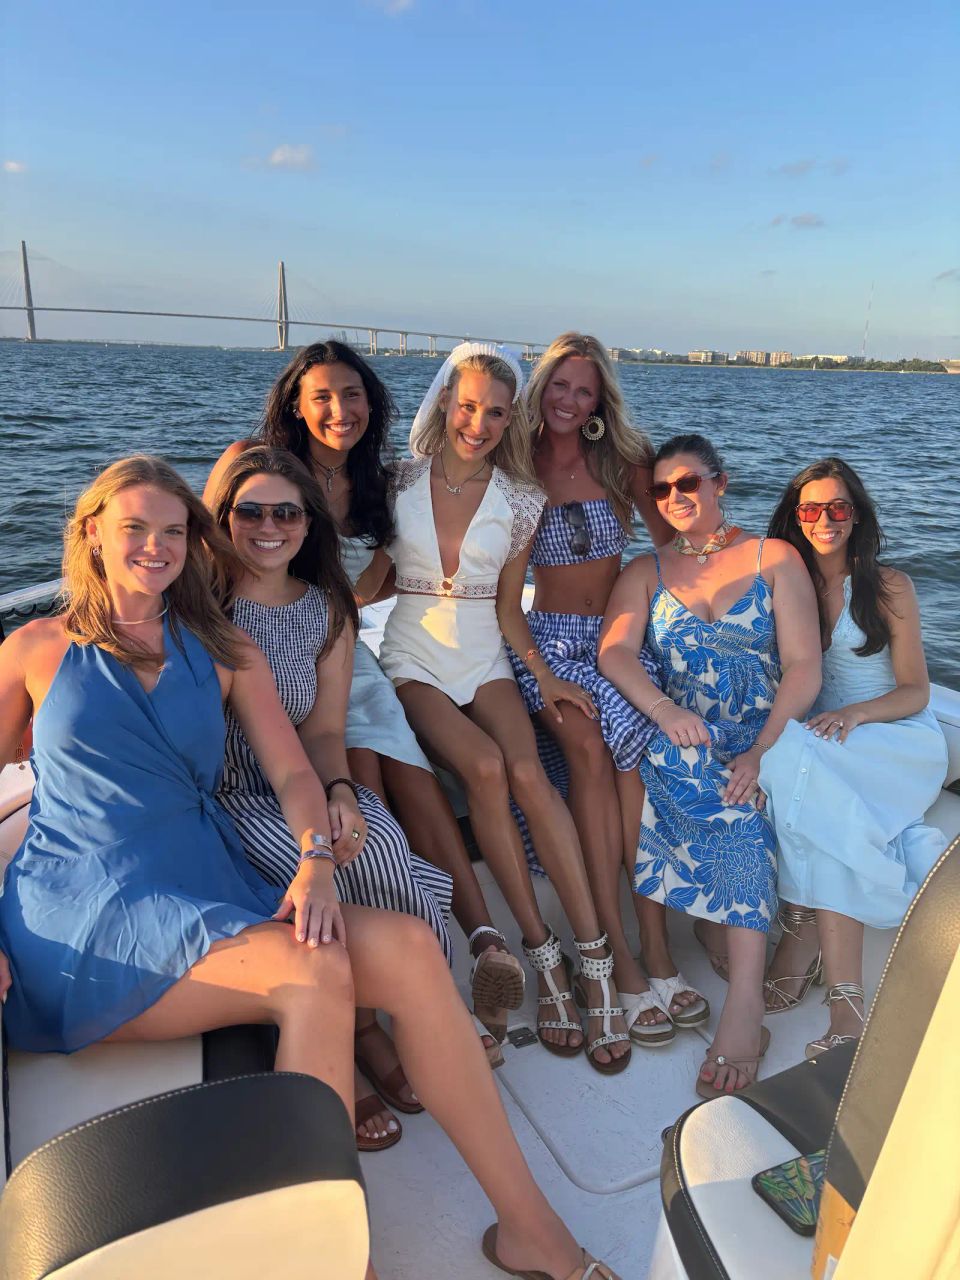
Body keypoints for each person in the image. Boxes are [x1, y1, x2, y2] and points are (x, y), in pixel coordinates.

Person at [0, 455, 623, 1280]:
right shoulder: (33, 649)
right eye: (135, 529)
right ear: (92, 535)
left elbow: (297, 769)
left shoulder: (222, 649)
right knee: (310, 968)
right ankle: (328, 1261)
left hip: (202, 885)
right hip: (79, 916)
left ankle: (531, 1230)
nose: (156, 546)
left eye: (174, 531)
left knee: (401, 945)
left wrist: (316, 858)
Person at [204, 342, 525, 1062]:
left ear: (372, 405)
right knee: (363, 787)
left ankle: (483, 938)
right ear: (295, 403)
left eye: (353, 396)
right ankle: (373, 1004)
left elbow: (374, 580)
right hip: (263, 653)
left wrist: (339, 624)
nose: (339, 411)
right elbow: (203, 555)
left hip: (336, 645)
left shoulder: (378, 485)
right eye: (321, 396)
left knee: (398, 769)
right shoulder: (249, 461)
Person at [376, 341, 631, 1074]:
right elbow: (365, 581)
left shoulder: (521, 498)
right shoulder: (398, 481)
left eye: (494, 412)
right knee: (484, 767)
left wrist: (544, 677)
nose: (478, 424)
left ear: (507, 416)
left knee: (528, 772)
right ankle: (540, 957)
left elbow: (510, 611)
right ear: (446, 406)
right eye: (467, 408)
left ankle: (595, 960)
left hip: (487, 651)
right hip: (413, 657)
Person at [211, 444, 454, 1150]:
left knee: (375, 842)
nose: (269, 525)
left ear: (309, 523)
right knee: (322, 866)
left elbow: (322, 732)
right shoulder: (199, 606)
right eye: (249, 510)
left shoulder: (326, 612)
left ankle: (369, 1023)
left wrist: (343, 791)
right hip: (230, 794)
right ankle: (344, 1038)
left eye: (287, 511)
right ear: (223, 516)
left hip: (307, 781)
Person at [598, 433, 821, 1096]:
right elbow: (614, 654)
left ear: (720, 483)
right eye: (661, 490)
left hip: (767, 730)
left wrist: (763, 746)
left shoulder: (773, 557)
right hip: (686, 732)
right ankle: (729, 952)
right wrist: (664, 711)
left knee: (741, 803)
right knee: (692, 779)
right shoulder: (647, 570)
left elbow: (804, 665)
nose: (673, 499)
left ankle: (744, 1010)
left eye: (688, 483)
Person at [506, 331, 704, 1047]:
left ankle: (655, 944)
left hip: (616, 639)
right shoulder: (516, 463)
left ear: (600, 400)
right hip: (548, 644)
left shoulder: (623, 463)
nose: (568, 400)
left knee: (640, 765)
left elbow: (672, 548)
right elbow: (502, 585)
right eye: (558, 385)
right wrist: (545, 672)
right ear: (541, 388)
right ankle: (618, 957)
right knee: (589, 750)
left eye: (583, 390)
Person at [759, 457, 947, 1057]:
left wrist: (855, 715)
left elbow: (916, 689)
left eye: (838, 508)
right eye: (811, 509)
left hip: (893, 739)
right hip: (828, 745)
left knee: (806, 773)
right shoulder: (784, 585)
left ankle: (800, 930)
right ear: (795, 517)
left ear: (856, 515)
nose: (824, 521)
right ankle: (846, 1012)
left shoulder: (889, 587)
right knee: (825, 808)